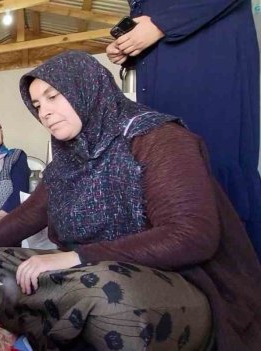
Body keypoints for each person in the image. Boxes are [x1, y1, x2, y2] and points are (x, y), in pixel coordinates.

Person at [0, 52, 261, 350]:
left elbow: (193, 235)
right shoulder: (67, 160)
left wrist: (78, 257)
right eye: (37, 105)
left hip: (178, 282)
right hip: (93, 270)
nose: (45, 112)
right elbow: (30, 213)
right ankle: (69, 327)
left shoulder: (158, 138)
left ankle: (56, 328)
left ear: (87, 88)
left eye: (53, 97)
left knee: (108, 298)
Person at [106, 1, 261, 258]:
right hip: (161, 87)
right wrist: (131, 45)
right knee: (171, 177)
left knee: (213, 173)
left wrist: (161, 24)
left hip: (210, 71)